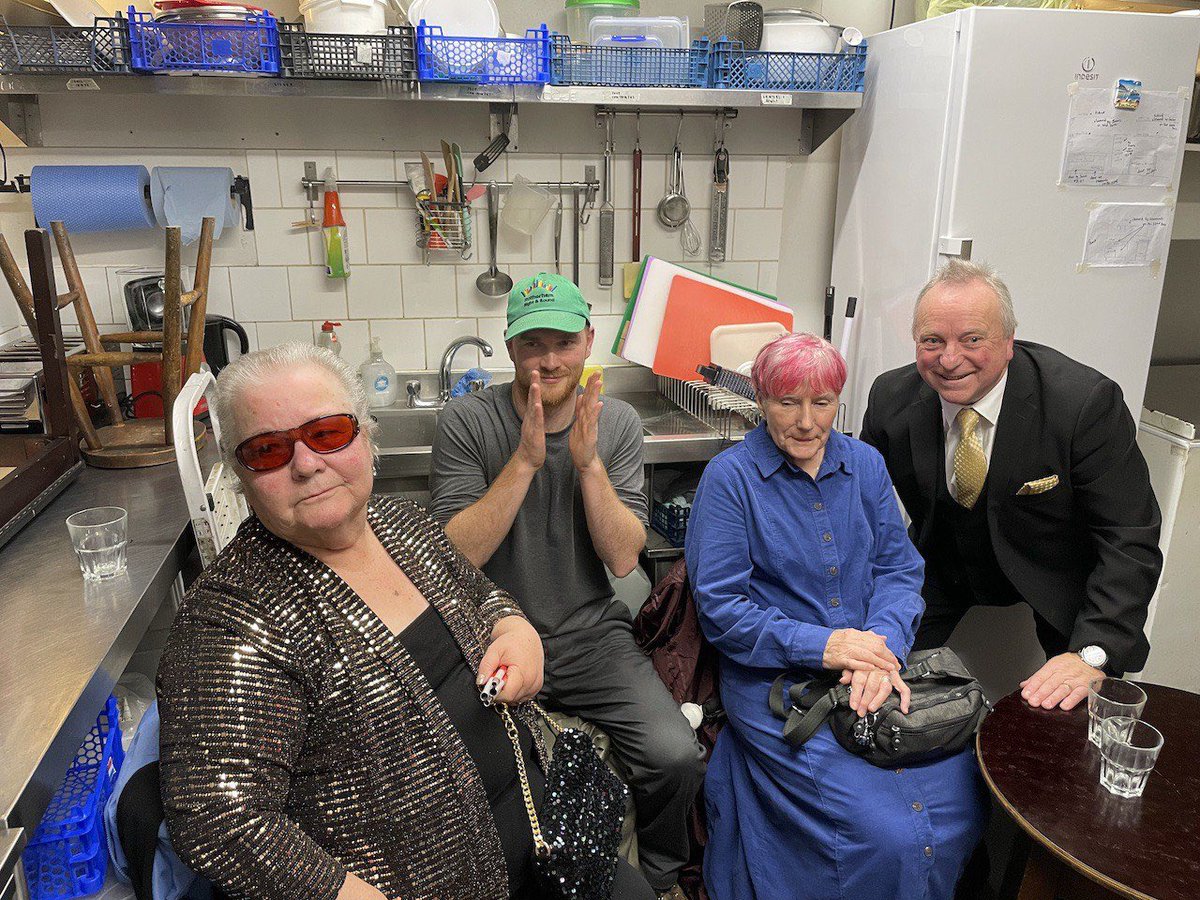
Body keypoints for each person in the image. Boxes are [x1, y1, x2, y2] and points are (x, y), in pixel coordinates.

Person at [156, 342, 654, 900]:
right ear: (242, 475)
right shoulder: (231, 616)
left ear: (367, 437)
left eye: (327, 434)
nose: (305, 464)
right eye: (268, 450)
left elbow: (478, 592)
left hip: (549, 841)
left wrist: (514, 627)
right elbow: (217, 819)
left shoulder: (395, 522)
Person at [429, 273, 706, 898]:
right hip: (489, 639)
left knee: (675, 757)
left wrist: (587, 464)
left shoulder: (617, 423)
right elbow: (455, 557)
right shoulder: (469, 421)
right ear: (510, 349)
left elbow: (621, 557)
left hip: (590, 637)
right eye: (533, 344)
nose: (548, 360)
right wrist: (525, 461)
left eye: (563, 342)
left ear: (588, 342)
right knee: (469, 778)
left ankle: (661, 877)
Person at [686, 332, 984, 900]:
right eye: (786, 402)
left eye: (820, 403)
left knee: (962, 806)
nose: (805, 421)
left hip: (873, 667)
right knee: (889, 832)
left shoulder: (865, 465)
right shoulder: (730, 480)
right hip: (774, 683)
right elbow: (722, 610)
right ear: (760, 400)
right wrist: (825, 646)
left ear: (837, 403)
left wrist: (880, 647)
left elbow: (900, 570)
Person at [859, 259, 1163, 709]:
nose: (949, 359)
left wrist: (1091, 654)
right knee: (871, 685)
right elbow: (860, 510)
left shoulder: (1081, 404)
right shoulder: (891, 398)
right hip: (939, 564)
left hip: (1056, 574)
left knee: (1073, 711)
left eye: (972, 339)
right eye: (932, 341)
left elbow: (1129, 537)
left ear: (1008, 342)